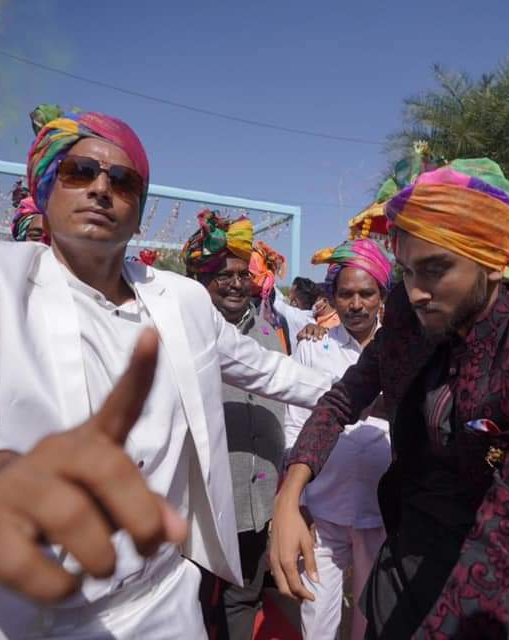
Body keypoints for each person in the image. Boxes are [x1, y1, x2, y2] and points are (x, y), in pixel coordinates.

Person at [0, 110, 331, 640]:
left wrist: (376, 391)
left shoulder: (181, 301)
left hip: (158, 602)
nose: (100, 188)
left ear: (139, 210)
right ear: (45, 191)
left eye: (121, 180)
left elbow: (274, 372)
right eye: (79, 172)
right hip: (10, 608)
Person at [270, 158, 509, 638]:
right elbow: (341, 401)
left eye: (436, 270)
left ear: (492, 262)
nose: (416, 292)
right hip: (410, 558)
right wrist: (290, 496)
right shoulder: (408, 318)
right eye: (408, 271)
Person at [183, 211, 300, 638]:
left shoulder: (272, 332)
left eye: (241, 274)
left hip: (257, 504)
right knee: (192, 604)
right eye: (223, 275)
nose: (235, 283)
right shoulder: (180, 334)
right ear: (201, 278)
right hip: (202, 505)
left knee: (243, 601)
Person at [285, 239, 393, 640]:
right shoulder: (314, 348)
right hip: (322, 512)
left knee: (372, 620)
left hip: (380, 515)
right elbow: (294, 426)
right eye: (345, 294)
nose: (357, 304)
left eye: (367, 293)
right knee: (316, 619)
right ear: (332, 297)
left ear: (382, 295)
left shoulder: (401, 351)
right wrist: (298, 503)